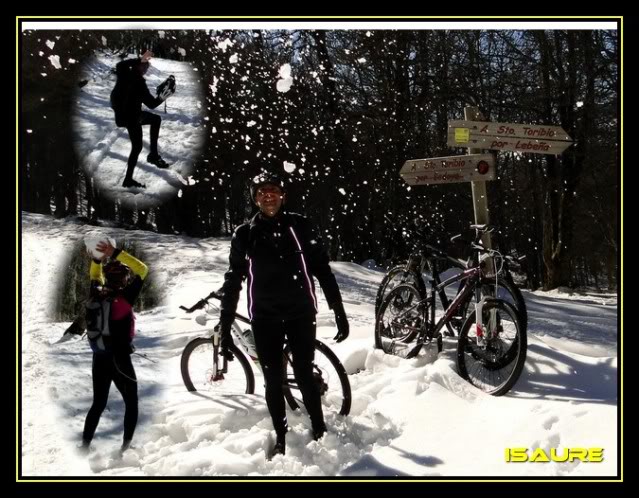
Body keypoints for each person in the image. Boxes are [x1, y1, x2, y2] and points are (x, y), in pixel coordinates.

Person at [218, 172, 349, 458]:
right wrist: (225, 324)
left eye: (274, 191)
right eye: (263, 192)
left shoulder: (299, 226)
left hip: (300, 312)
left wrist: (338, 310)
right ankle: (281, 435)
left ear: (283, 195)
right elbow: (233, 279)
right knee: (273, 379)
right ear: (255, 198)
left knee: (303, 373)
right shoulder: (245, 233)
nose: (269, 196)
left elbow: (322, 269)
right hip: (264, 317)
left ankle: (319, 427)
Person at [80, 239, 148, 453]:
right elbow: (143, 269)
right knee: (131, 403)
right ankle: (125, 448)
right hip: (120, 359)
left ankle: (84, 447)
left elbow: (94, 276)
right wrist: (115, 252)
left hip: (99, 356)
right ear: (124, 280)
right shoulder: (125, 297)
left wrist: (96, 259)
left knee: (98, 404)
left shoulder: (97, 291)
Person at [110, 51, 174, 188]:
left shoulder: (125, 74)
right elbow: (152, 104)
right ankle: (151, 158)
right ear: (138, 66)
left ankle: (150, 158)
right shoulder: (135, 80)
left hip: (124, 117)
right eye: (145, 67)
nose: (146, 69)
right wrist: (161, 98)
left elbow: (150, 104)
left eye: (147, 67)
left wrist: (161, 98)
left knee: (155, 120)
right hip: (132, 118)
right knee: (138, 145)